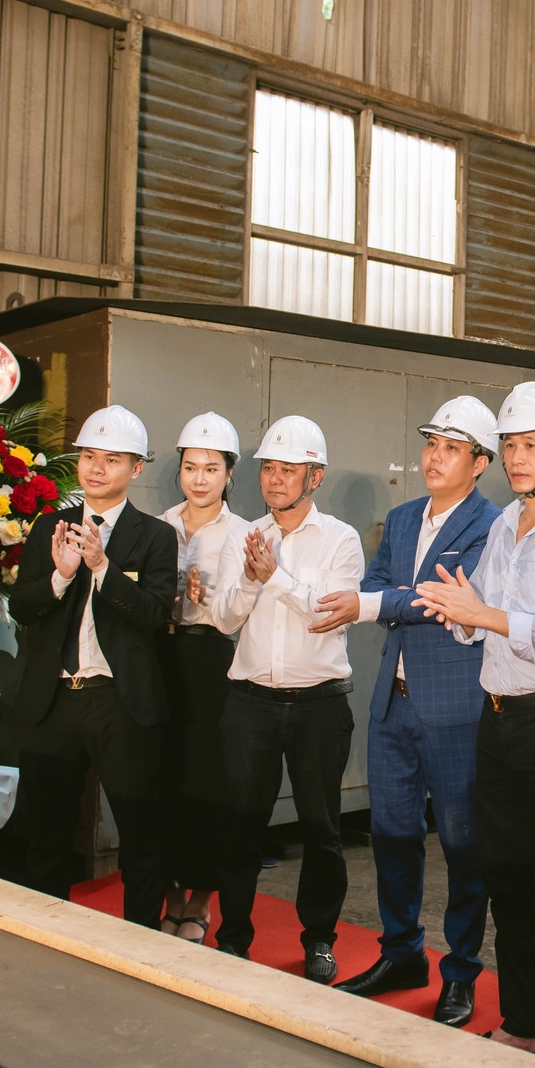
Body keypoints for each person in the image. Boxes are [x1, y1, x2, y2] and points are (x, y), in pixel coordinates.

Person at [413, 381, 535, 1067]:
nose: (518, 458)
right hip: (497, 721)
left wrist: (486, 616)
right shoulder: (504, 525)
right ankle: (525, 1020)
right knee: (507, 877)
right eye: (510, 446)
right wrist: (464, 615)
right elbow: (486, 616)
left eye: (530, 445)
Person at [318, 397, 499, 1028]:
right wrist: (378, 598)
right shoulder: (400, 519)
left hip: (454, 708)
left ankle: (462, 972)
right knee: (393, 835)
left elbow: (442, 599)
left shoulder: (489, 526)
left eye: (451, 448)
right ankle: (402, 954)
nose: (434, 457)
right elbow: (377, 583)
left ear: (480, 462)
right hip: (393, 703)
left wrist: (375, 603)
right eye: (431, 444)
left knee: (462, 844)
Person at [0, 406, 178, 924]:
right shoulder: (49, 527)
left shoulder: (155, 535)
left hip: (119, 700)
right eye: (89, 456)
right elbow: (23, 608)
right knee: (48, 831)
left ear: (136, 468)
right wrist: (60, 577)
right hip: (53, 699)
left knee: (140, 830)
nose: (96, 468)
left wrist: (101, 567)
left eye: (112, 459)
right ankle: (47, 932)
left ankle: (140, 939)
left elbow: (153, 614)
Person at [210, 415, 364, 981]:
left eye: (288, 470)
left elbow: (329, 612)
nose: (274, 480)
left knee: (321, 828)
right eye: (268, 469)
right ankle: (233, 937)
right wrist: (250, 580)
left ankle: (319, 939)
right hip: (250, 702)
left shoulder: (341, 539)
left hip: (320, 704)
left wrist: (273, 576)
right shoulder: (243, 534)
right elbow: (224, 618)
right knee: (240, 825)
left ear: (315, 478)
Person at [157, 412, 251, 942]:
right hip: (159, 657)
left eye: (211, 469)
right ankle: (169, 894)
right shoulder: (159, 523)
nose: (199, 479)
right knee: (162, 775)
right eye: (191, 467)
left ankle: (199, 900)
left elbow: (239, 612)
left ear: (229, 474)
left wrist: (206, 598)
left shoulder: (242, 533)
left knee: (208, 779)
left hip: (212, 660)